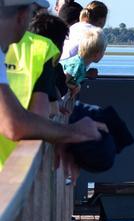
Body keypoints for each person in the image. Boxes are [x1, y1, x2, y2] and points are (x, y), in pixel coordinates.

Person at [0, 0, 106, 170]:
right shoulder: (39, 49)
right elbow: (16, 124)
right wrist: (74, 132)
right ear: (22, 15)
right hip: (12, 179)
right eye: (34, 11)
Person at [59, 23, 103, 91]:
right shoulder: (77, 63)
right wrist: (76, 86)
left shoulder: (82, 64)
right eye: (103, 51)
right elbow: (64, 80)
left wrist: (87, 74)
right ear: (96, 54)